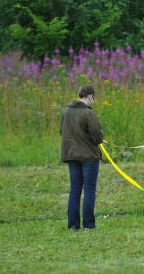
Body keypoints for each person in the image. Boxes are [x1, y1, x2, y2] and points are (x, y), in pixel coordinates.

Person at [60, 85, 104, 230]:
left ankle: (73, 225)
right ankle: (89, 225)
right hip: (89, 157)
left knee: (75, 190)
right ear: (90, 96)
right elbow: (97, 136)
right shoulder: (88, 113)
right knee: (89, 190)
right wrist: (100, 139)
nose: (93, 101)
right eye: (93, 98)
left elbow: (62, 131)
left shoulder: (66, 111)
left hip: (71, 156)